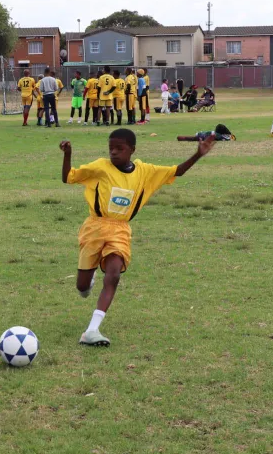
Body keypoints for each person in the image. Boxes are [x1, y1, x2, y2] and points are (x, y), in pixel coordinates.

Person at [58, 129, 216, 346]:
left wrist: (198, 154)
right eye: (111, 148)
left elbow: (176, 171)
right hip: (94, 227)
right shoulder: (100, 167)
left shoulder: (146, 172)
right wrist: (68, 154)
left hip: (120, 230)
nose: (114, 152)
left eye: (119, 149)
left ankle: (92, 330)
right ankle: (89, 277)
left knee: (113, 274)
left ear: (132, 150)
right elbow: (68, 177)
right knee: (82, 288)